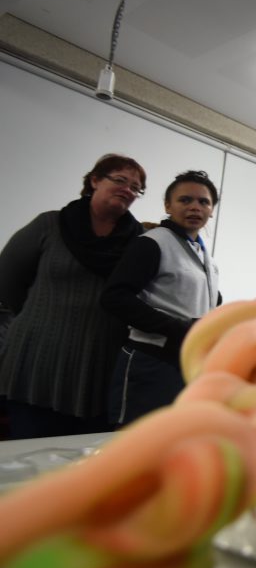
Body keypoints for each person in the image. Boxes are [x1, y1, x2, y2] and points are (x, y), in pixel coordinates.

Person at [0, 154, 146, 438]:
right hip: (40, 359)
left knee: (83, 465)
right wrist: (44, 318)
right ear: (94, 180)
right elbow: (7, 281)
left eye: (136, 187)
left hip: (101, 365)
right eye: (120, 180)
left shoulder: (139, 241)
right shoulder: (49, 225)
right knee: (30, 460)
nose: (128, 189)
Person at [101, 170, 222, 426]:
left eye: (204, 202)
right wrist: (178, 327)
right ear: (168, 205)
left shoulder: (203, 254)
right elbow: (115, 297)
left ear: (212, 210)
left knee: (169, 443)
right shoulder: (153, 242)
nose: (194, 207)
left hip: (186, 362)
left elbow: (198, 297)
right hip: (151, 360)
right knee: (134, 444)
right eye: (185, 200)